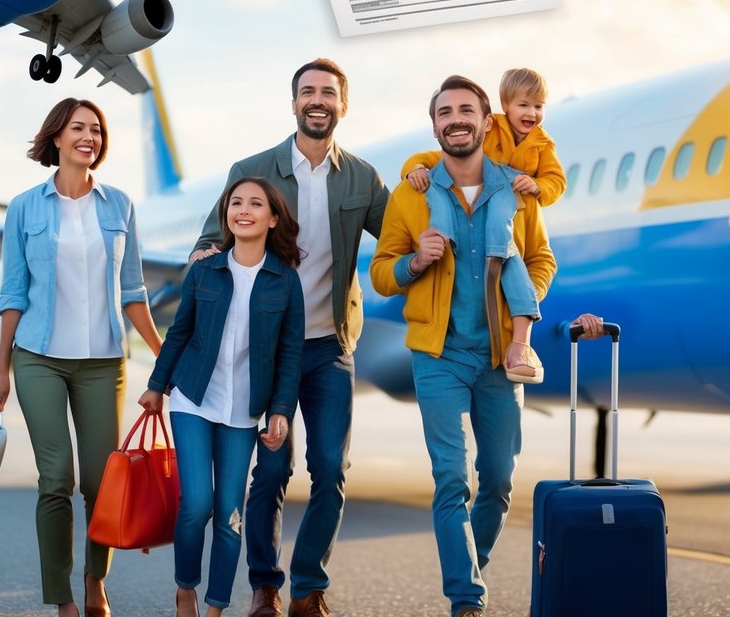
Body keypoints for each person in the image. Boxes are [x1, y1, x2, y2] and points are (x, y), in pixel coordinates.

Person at [190, 59, 389, 617]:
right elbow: (210, 241)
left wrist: (429, 181)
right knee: (272, 470)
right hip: (265, 351)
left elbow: (399, 236)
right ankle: (265, 586)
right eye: (308, 92)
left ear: (342, 105)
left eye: (328, 92)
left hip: (330, 347)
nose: (318, 100)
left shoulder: (363, 179)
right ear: (294, 102)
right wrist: (208, 259)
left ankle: (309, 587)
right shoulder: (252, 170)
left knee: (330, 468)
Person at [370, 75, 557, 617]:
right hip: (439, 357)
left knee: (497, 481)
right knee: (452, 477)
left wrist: (521, 292)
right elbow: (382, 273)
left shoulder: (517, 189)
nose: (456, 119)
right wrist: (415, 261)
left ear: (485, 120)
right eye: (445, 112)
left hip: (502, 358)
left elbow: (541, 258)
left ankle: (468, 567)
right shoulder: (412, 193)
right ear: (434, 126)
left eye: (466, 110)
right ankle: (466, 600)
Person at [0, 97, 164, 617]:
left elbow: (133, 290)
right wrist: (2, 369)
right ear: (58, 138)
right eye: (79, 128)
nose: (90, 137)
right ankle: (62, 596)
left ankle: (95, 581)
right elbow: (13, 293)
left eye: (97, 130)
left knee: (101, 480)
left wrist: (162, 354)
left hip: (102, 361)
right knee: (57, 478)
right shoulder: (24, 207)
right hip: (38, 357)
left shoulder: (120, 206)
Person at [139, 177, 305, 617]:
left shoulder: (286, 282)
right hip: (193, 398)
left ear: (273, 219)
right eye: (236, 203)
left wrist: (281, 413)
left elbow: (290, 354)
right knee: (197, 504)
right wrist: (157, 386)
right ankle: (185, 588)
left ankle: (215, 608)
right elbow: (179, 334)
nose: (244, 210)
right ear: (226, 215)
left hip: (244, 410)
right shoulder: (204, 270)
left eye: (256, 204)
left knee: (230, 515)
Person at [401, 67, 566, 385]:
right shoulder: (492, 130)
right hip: (482, 204)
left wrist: (538, 187)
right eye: (523, 105)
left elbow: (556, 180)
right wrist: (414, 167)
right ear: (504, 106)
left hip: (507, 205)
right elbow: (436, 156)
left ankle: (521, 344)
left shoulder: (543, 144)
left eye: (538, 106)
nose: (531, 113)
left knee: (508, 258)